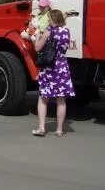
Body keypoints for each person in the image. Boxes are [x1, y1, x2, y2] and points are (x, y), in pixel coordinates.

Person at [32, 9, 75, 138]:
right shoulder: (66, 32)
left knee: (43, 98)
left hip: (49, 68)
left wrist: (37, 36)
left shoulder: (48, 31)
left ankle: (41, 128)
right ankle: (60, 130)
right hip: (62, 66)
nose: (48, 20)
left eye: (49, 18)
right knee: (61, 100)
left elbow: (37, 48)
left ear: (52, 19)